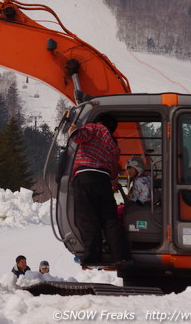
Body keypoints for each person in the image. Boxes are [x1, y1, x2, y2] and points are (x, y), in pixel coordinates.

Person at [71, 114, 131, 267]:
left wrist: (73, 130)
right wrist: (114, 181)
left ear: (101, 121)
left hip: (85, 177)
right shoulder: (112, 143)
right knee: (110, 220)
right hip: (104, 181)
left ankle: (92, 257)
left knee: (87, 219)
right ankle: (122, 256)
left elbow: (79, 137)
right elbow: (113, 167)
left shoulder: (95, 127)